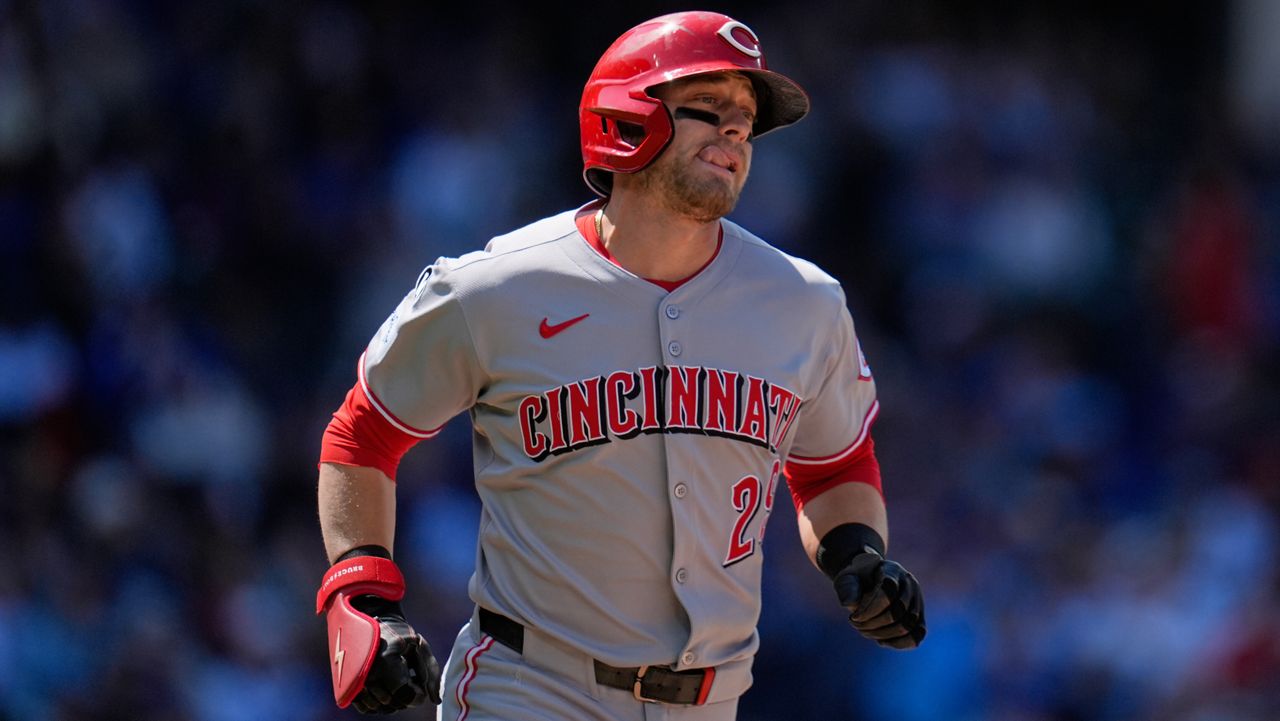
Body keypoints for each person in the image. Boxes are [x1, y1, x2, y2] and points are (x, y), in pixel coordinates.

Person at [314, 10, 926, 720]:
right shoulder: (494, 288)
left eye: (747, 118)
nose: (736, 130)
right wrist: (360, 590)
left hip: (712, 698)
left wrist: (856, 553)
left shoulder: (804, 302)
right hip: (531, 686)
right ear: (627, 119)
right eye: (710, 106)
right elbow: (362, 435)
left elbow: (832, 464)